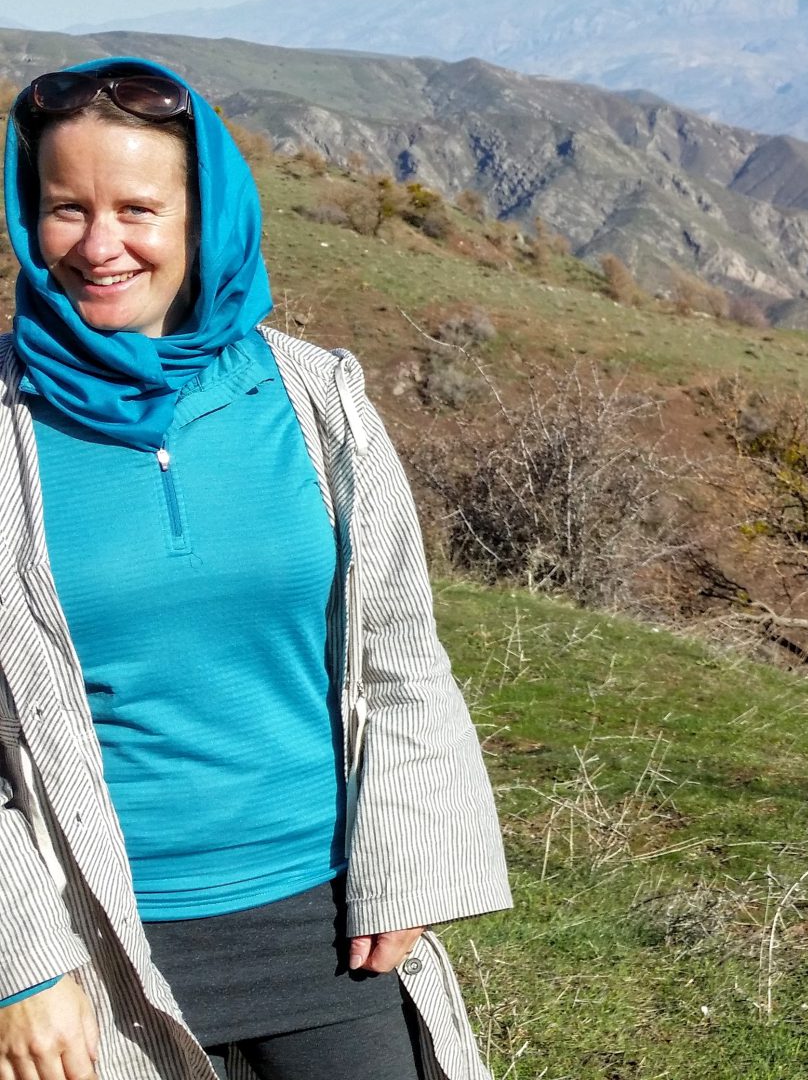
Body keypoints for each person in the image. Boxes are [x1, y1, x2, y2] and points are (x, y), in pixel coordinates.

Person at [0, 58, 510, 1080]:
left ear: (205, 217)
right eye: (66, 208)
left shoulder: (317, 401)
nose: (101, 246)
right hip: (98, 951)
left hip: (331, 941)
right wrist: (20, 961)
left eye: (138, 207)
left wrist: (405, 867)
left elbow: (399, 651)